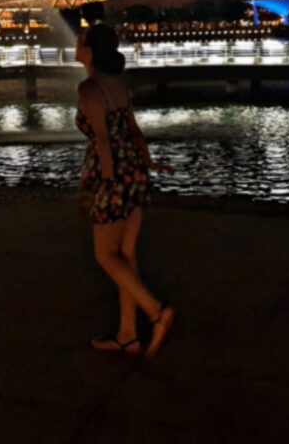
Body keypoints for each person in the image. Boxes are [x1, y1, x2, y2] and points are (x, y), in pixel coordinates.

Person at [75, 23, 175, 359]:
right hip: (132, 171)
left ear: (90, 52)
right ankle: (128, 335)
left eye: (80, 42)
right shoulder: (117, 85)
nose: (75, 44)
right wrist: (148, 163)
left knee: (104, 254)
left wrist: (105, 181)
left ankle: (156, 312)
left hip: (111, 173)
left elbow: (102, 139)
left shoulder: (89, 89)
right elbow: (133, 129)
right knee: (126, 255)